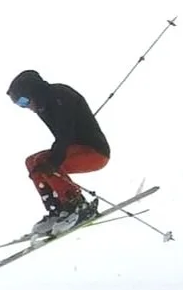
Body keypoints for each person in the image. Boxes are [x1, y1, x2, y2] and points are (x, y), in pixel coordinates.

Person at [6, 69, 110, 236]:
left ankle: (77, 206)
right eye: (20, 105)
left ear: (34, 91)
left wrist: (53, 161)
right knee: (32, 162)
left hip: (95, 152)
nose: (25, 107)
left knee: (43, 162)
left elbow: (64, 134)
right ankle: (57, 209)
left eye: (24, 101)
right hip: (76, 150)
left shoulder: (59, 96)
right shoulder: (43, 106)